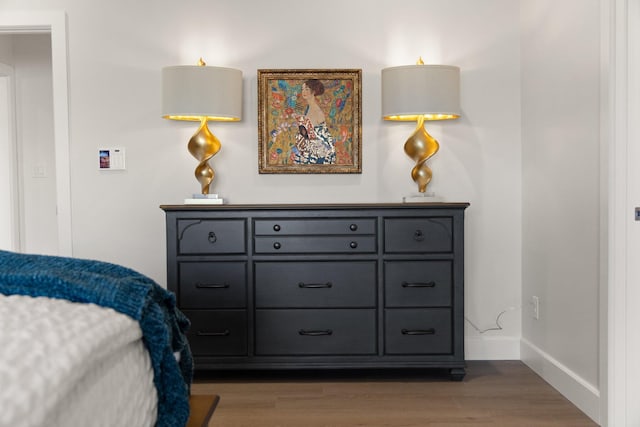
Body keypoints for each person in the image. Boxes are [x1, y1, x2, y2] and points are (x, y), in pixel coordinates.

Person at [292, 79, 336, 164]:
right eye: (302, 89)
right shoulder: (308, 108)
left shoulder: (317, 112)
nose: (303, 92)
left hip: (317, 156)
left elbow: (323, 140)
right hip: (306, 151)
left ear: (314, 91)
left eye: (307, 89)